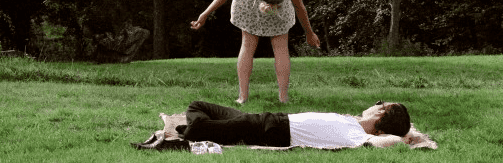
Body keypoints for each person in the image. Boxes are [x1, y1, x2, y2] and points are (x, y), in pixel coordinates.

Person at [190, 0, 320, 103]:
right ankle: (243, 97)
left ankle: (283, 99)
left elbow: (299, 5)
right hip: (250, 1)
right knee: (248, 44)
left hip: (278, 9)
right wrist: (205, 15)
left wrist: (309, 33)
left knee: (280, 47)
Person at [174, 100, 411, 149]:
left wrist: (404, 137)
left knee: (198, 126)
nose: (374, 103)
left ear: (382, 113)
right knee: (198, 106)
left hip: (268, 129)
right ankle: (199, 127)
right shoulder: (352, 121)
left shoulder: (359, 137)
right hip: (268, 119)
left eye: (380, 103)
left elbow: (390, 142)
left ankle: (192, 131)